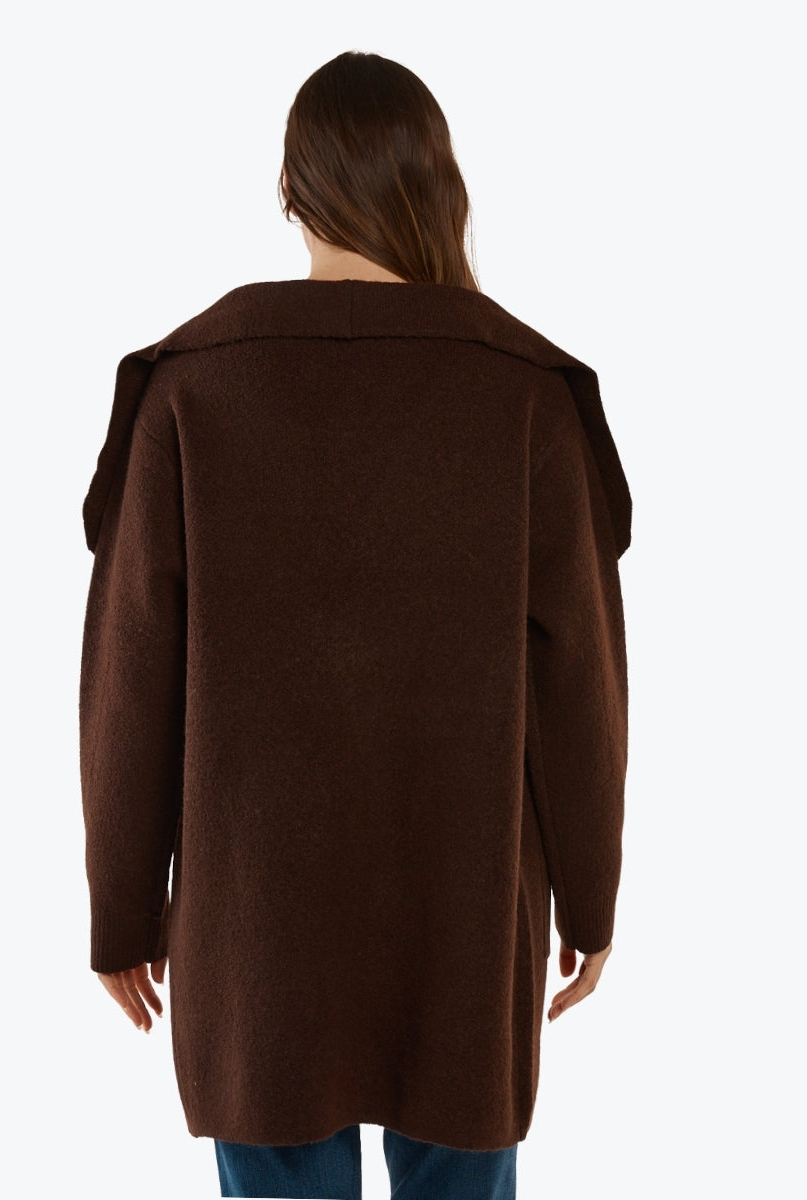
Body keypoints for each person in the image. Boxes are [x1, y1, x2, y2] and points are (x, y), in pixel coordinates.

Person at [79, 50, 631, 1200]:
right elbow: (581, 679)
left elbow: (132, 676)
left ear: (292, 190)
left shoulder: (193, 389)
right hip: (463, 916)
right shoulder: (524, 394)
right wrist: (589, 892)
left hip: (258, 934)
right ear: (438, 186)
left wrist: (123, 907)